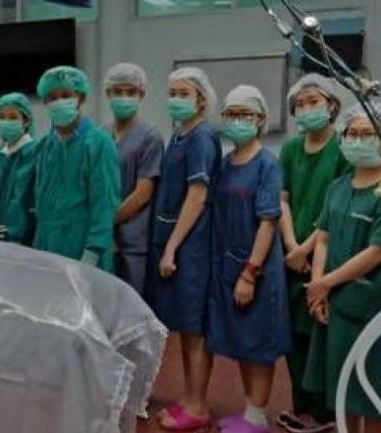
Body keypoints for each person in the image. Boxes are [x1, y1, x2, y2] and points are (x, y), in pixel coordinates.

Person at [304, 102, 381, 433]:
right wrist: (318, 286)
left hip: (371, 307)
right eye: (352, 133)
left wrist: (325, 284)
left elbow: (378, 252)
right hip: (334, 303)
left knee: (372, 391)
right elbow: (322, 238)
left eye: (368, 134)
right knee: (341, 388)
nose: (358, 141)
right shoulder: (338, 187)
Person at [207, 85, 291, 433]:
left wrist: (249, 273)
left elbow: (268, 222)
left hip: (258, 270)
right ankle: (248, 410)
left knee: (259, 344)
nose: (238, 120)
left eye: (246, 114)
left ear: (260, 120)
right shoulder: (225, 164)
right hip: (229, 265)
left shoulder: (267, 165)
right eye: (232, 114)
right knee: (242, 341)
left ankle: (257, 415)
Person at [149, 66, 221, 430]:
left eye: (184, 94)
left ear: (201, 99)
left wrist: (171, 248)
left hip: (191, 244)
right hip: (175, 239)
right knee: (184, 327)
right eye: (172, 93)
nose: (175, 100)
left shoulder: (202, 138)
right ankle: (189, 397)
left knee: (195, 328)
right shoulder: (179, 135)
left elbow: (197, 196)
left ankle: (198, 406)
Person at [276, 73, 348, 433]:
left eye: (314, 101)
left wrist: (306, 249)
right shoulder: (290, 150)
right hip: (291, 256)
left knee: (320, 334)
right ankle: (301, 407)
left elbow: (337, 208)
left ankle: (325, 411)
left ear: (332, 105)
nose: (306, 109)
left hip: (328, 255)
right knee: (294, 337)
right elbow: (282, 199)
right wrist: (292, 246)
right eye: (300, 104)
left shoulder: (343, 149)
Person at [31, 66, 120, 271]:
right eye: (52, 97)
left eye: (66, 95)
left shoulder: (98, 143)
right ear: (45, 102)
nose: (59, 101)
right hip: (48, 247)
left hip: (84, 247)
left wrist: (93, 251)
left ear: (81, 98)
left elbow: (104, 203)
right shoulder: (44, 147)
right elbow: (42, 203)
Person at [103, 62, 164, 293]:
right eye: (118, 91)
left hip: (132, 242)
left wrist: (106, 220)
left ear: (142, 95)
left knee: (130, 303)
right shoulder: (101, 134)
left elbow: (143, 193)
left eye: (131, 92)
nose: (124, 97)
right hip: (104, 240)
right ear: (108, 94)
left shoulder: (150, 136)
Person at [0, 92, 40, 245]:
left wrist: (14, 233)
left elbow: (26, 201)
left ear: (26, 121)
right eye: (2, 117)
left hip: (26, 240)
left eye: (12, 117)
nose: (6, 122)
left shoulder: (36, 153)